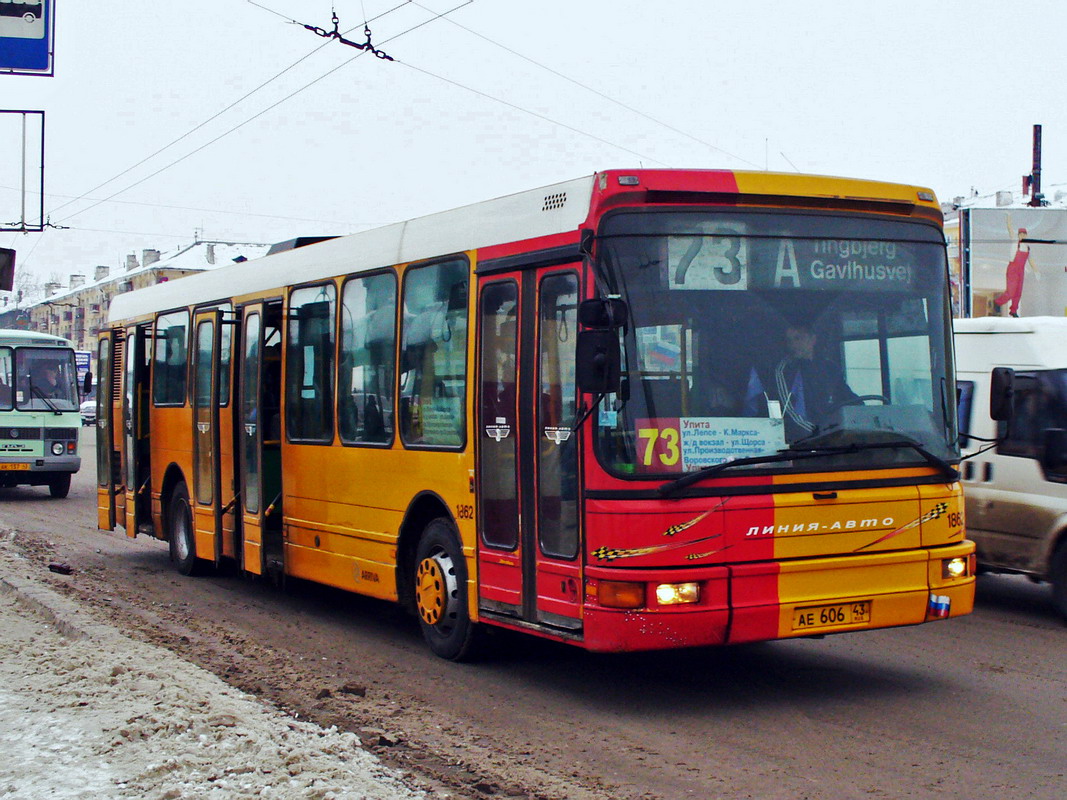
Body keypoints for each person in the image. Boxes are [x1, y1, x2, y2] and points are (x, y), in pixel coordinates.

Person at [744, 323, 858, 438]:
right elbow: (789, 412)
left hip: (834, 439)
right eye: (789, 341)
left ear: (813, 339)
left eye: (798, 338)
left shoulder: (830, 368)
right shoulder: (784, 370)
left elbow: (848, 399)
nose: (793, 344)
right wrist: (821, 434)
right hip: (801, 443)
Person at [993, 218, 1035, 318]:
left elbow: (1031, 260)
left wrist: (1036, 271)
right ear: (1018, 235)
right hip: (1013, 269)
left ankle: (1013, 310)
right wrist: (1008, 219)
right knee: (1011, 292)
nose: (1022, 236)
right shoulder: (1014, 242)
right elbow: (1010, 229)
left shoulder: (1028, 247)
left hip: (1021, 271)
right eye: (1020, 234)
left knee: (1018, 293)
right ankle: (997, 303)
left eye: (1024, 234)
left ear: (1026, 235)